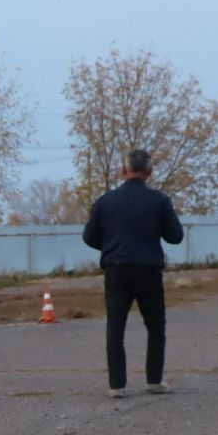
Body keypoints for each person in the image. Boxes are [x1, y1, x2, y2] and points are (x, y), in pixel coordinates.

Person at [81, 149, 184, 397]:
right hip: (149, 270)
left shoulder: (105, 201)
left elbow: (88, 237)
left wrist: (110, 245)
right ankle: (154, 380)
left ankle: (117, 385)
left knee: (115, 327)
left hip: (116, 270)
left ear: (123, 170)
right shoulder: (159, 201)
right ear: (149, 171)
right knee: (155, 325)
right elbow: (176, 236)